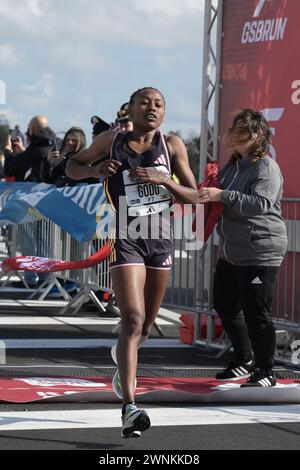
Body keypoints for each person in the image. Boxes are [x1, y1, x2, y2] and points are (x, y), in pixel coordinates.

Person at [66, 87, 198, 437]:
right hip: (126, 237)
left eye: (158, 104)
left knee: (147, 325)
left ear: (164, 114)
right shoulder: (111, 141)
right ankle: (130, 405)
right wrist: (95, 171)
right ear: (132, 108)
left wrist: (163, 179)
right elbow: (72, 166)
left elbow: (195, 195)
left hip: (160, 239)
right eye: (145, 103)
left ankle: (124, 364)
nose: (152, 108)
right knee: (133, 318)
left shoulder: (172, 146)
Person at [198, 109, 288, 387]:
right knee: (224, 303)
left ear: (258, 135)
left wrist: (222, 194)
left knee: (256, 311)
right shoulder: (233, 166)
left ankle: (266, 370)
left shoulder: (266, 167)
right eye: (234, 129)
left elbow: (260, 205)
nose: (234, 135)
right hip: (232, 250)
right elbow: (215, 196)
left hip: (260, 249)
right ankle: (244, 358)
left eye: (242, 131)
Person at [4, 115, 56, 182]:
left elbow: (9, 169)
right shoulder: (57, 142)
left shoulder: (34, 149)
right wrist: (24, 151)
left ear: (32, 128)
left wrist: (7, 149)